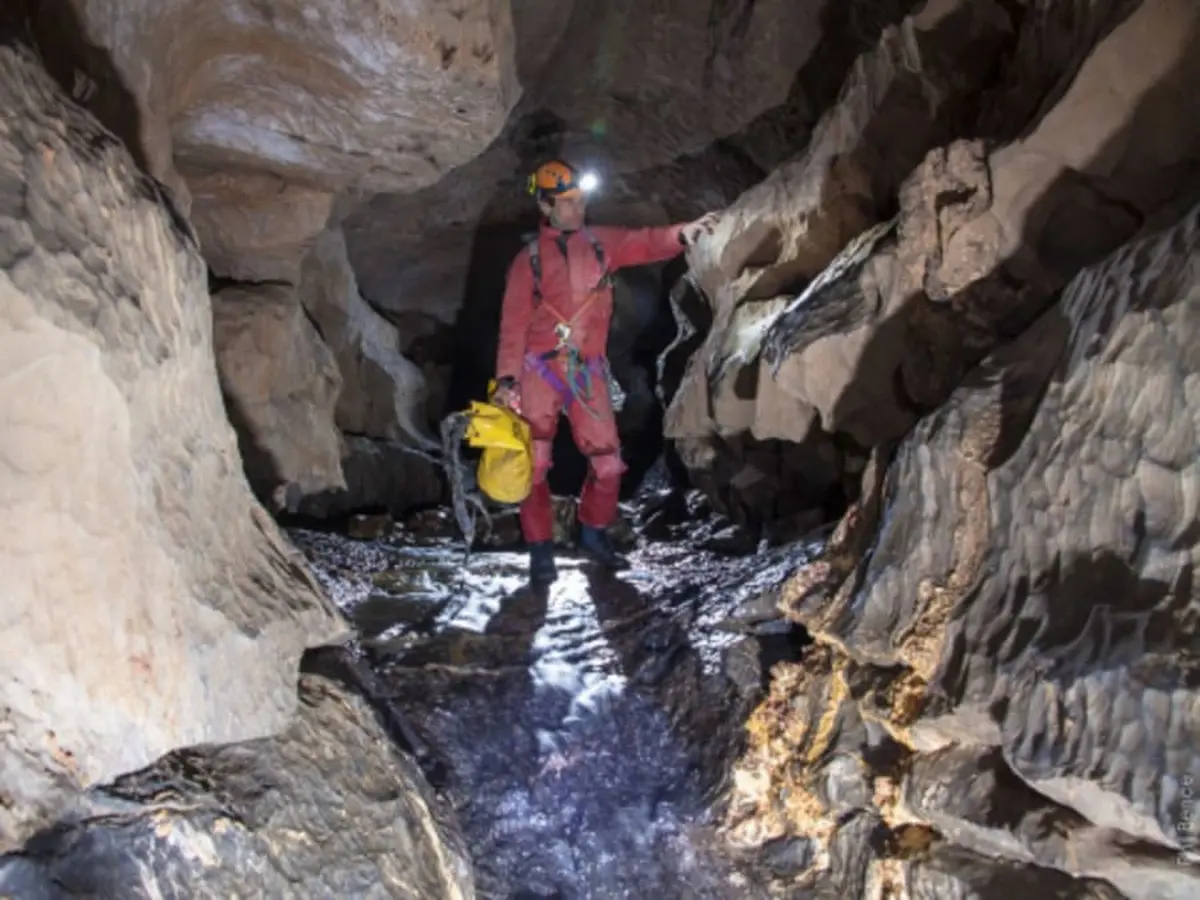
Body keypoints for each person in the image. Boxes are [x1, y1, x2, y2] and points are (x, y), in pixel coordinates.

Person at [491, 158, 718, 585]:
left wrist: (683, 234)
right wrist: (507, 380)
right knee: (533, 464)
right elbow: (513, 322)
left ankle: (593, 534)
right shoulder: (529, 261)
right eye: (567, 202)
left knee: (609, 464)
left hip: (587, 370)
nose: (577, 209)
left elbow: (645, 242)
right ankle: (540, 550)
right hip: (538, 369)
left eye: (580, 201)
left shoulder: (600, 244)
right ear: (545, 206)